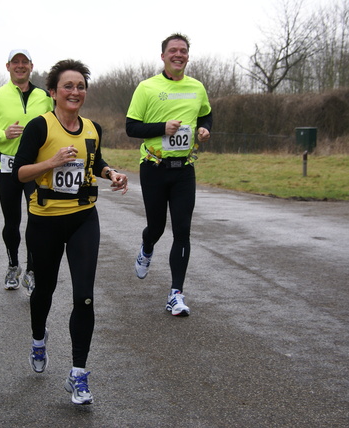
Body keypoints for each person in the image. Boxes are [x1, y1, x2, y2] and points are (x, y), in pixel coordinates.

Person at [12, 59, 128, 405]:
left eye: (80, 86)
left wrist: (112, 174)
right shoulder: (39, 127)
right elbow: (20, 173)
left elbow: (97, 161)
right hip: (45, 220)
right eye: (68, 86)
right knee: (44, 291)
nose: (75, 91)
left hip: (82, 219)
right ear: (53, 92)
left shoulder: (92, 128)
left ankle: (78, 374)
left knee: (84, 295)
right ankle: (37, 338)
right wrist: (51, 163)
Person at [126, 33, 213, 317]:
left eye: (184, 50)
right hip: (153, 167)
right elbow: (131, 128)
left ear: (188, 56)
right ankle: (147, 246)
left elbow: (206, 114)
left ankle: (176, 294)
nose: (179, 54)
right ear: (163, 56)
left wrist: (204, 129)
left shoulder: (197, 87)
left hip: (184, 170)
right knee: (157, 227)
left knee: (182, 230)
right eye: (173, 50)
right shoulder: (147, 87)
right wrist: (162, 128)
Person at [0, 49, 54, 293]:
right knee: (12, 222)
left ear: (31, 66)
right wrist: (3, 134)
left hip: (36, 168)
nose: (20, 66)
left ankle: (31, 272)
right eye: (15, 62)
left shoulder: (44, 96)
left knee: (37, 222)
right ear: (8, 66)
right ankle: (13, 265)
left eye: (24, 62)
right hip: (8, 168)